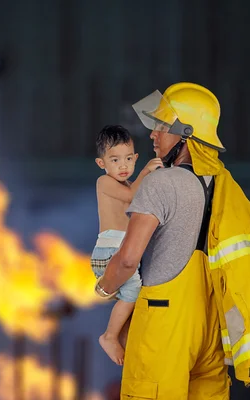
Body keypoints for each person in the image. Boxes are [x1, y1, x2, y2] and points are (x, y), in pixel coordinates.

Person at [94, 82, 250, 399]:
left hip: (163, 321)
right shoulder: (220, 183)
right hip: (209, 326)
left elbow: (127, 259)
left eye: (162, 127)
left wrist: (105, 287)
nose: (152, 135)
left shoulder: (160, 182)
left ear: (186, 133)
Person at [91, 125, 162, 365]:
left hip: (119, 250)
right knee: (132, 294)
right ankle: (109, 336)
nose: (123, 166)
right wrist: (146, 172)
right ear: (102, 164)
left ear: (135, 157)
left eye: (128, 159)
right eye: (115, 160)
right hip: (111, 251)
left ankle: (122, 338)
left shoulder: (129, 183)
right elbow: (133, 196)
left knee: (131, 301)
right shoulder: (103, 182)